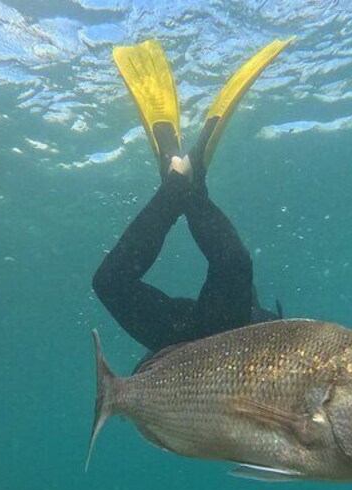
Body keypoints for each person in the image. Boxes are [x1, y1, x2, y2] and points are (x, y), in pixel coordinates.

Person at [93, 39, 292, 354]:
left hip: (185, 347)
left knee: (109, 283)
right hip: (228, 337)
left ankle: (178, 186)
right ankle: (186, 186)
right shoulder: (255, 325)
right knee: (234, 266)